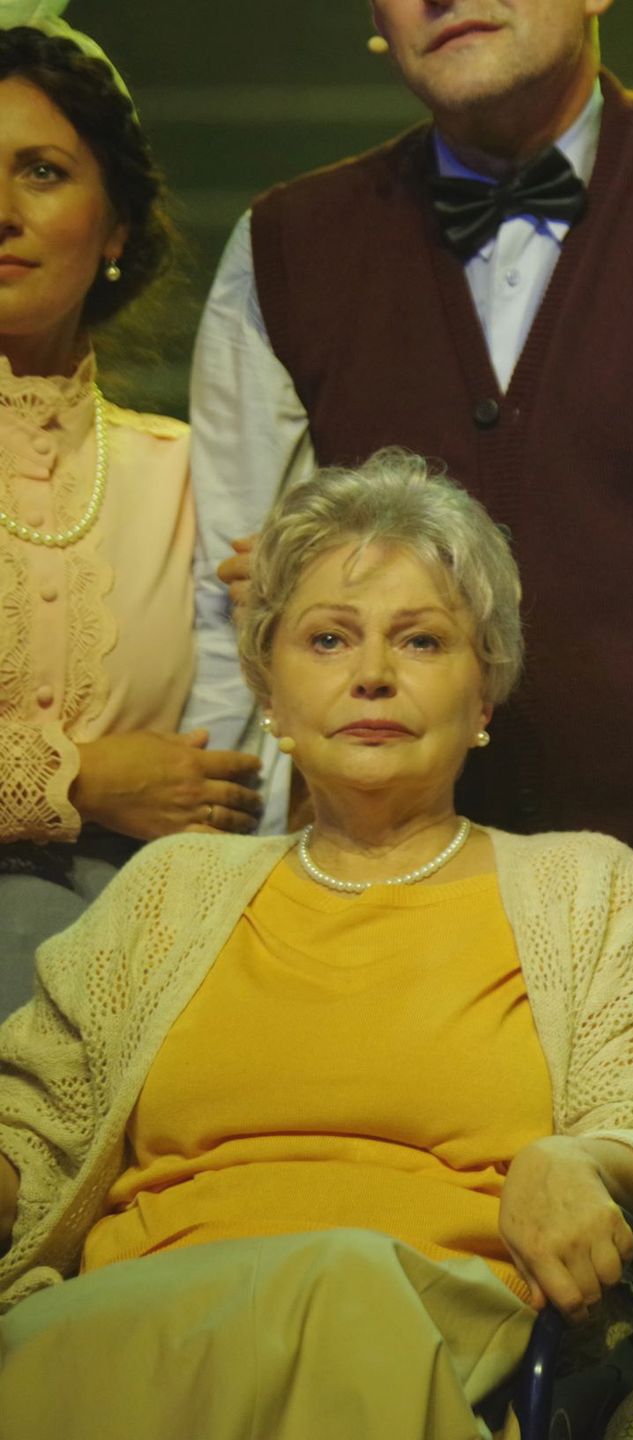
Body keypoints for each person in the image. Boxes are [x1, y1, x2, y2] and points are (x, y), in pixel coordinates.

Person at [182, 1, 633, 1410]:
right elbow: (243, 647)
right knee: (412, 1365)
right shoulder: (284, 247)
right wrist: (246, 945)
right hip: (406, 944)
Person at [0, 450, 633, 1438]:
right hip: (143, 1326)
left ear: (483, 696)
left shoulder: (578, 886)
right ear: (271, 693)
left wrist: (584, 1159)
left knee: (338, 1285)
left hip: (431, 1332)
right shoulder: (172, 887)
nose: (372, 675)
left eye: (420, 641)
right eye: (329, 639)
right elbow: (33, 1128)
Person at [0, 17, 262, 1013]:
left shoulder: (197, 477)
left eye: (42, 172)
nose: (0, 212)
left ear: (116, 227)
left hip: (161, 946)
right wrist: (74, 779)